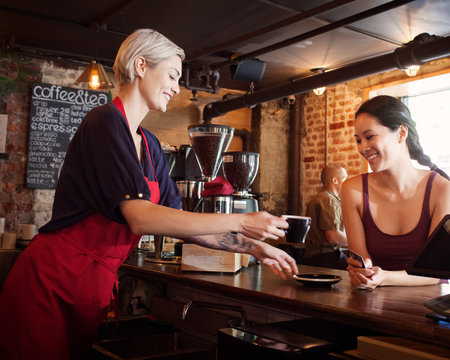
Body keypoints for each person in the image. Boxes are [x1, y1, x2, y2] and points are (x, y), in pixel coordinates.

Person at [0, 29, 297, 360]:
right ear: (141, 65)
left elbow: (181, 222)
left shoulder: (151, 144)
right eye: (172, 75)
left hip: (89, 288)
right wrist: (243, 221)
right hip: (49, 284)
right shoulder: (104, 122)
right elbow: (140, 217)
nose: (176, 87)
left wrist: (257, 248)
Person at [341, 95, 450, 290]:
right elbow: (362, 263)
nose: (362, 148)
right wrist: (363, 272)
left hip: (429, 307)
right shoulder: (352, 190)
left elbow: (436, 270)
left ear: (401, 133)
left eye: (369, 137)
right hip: (372, 305)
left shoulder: (442, 189)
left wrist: (383, 277)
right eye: (358, 140)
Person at [303, 165, 349, 269]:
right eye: (345, 178)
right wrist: (357, 242)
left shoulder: (317, 198)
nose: (347, 182)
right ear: (335, 180)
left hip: (314, 257)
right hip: (327, 258)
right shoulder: (329, 200)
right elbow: (333, 237)